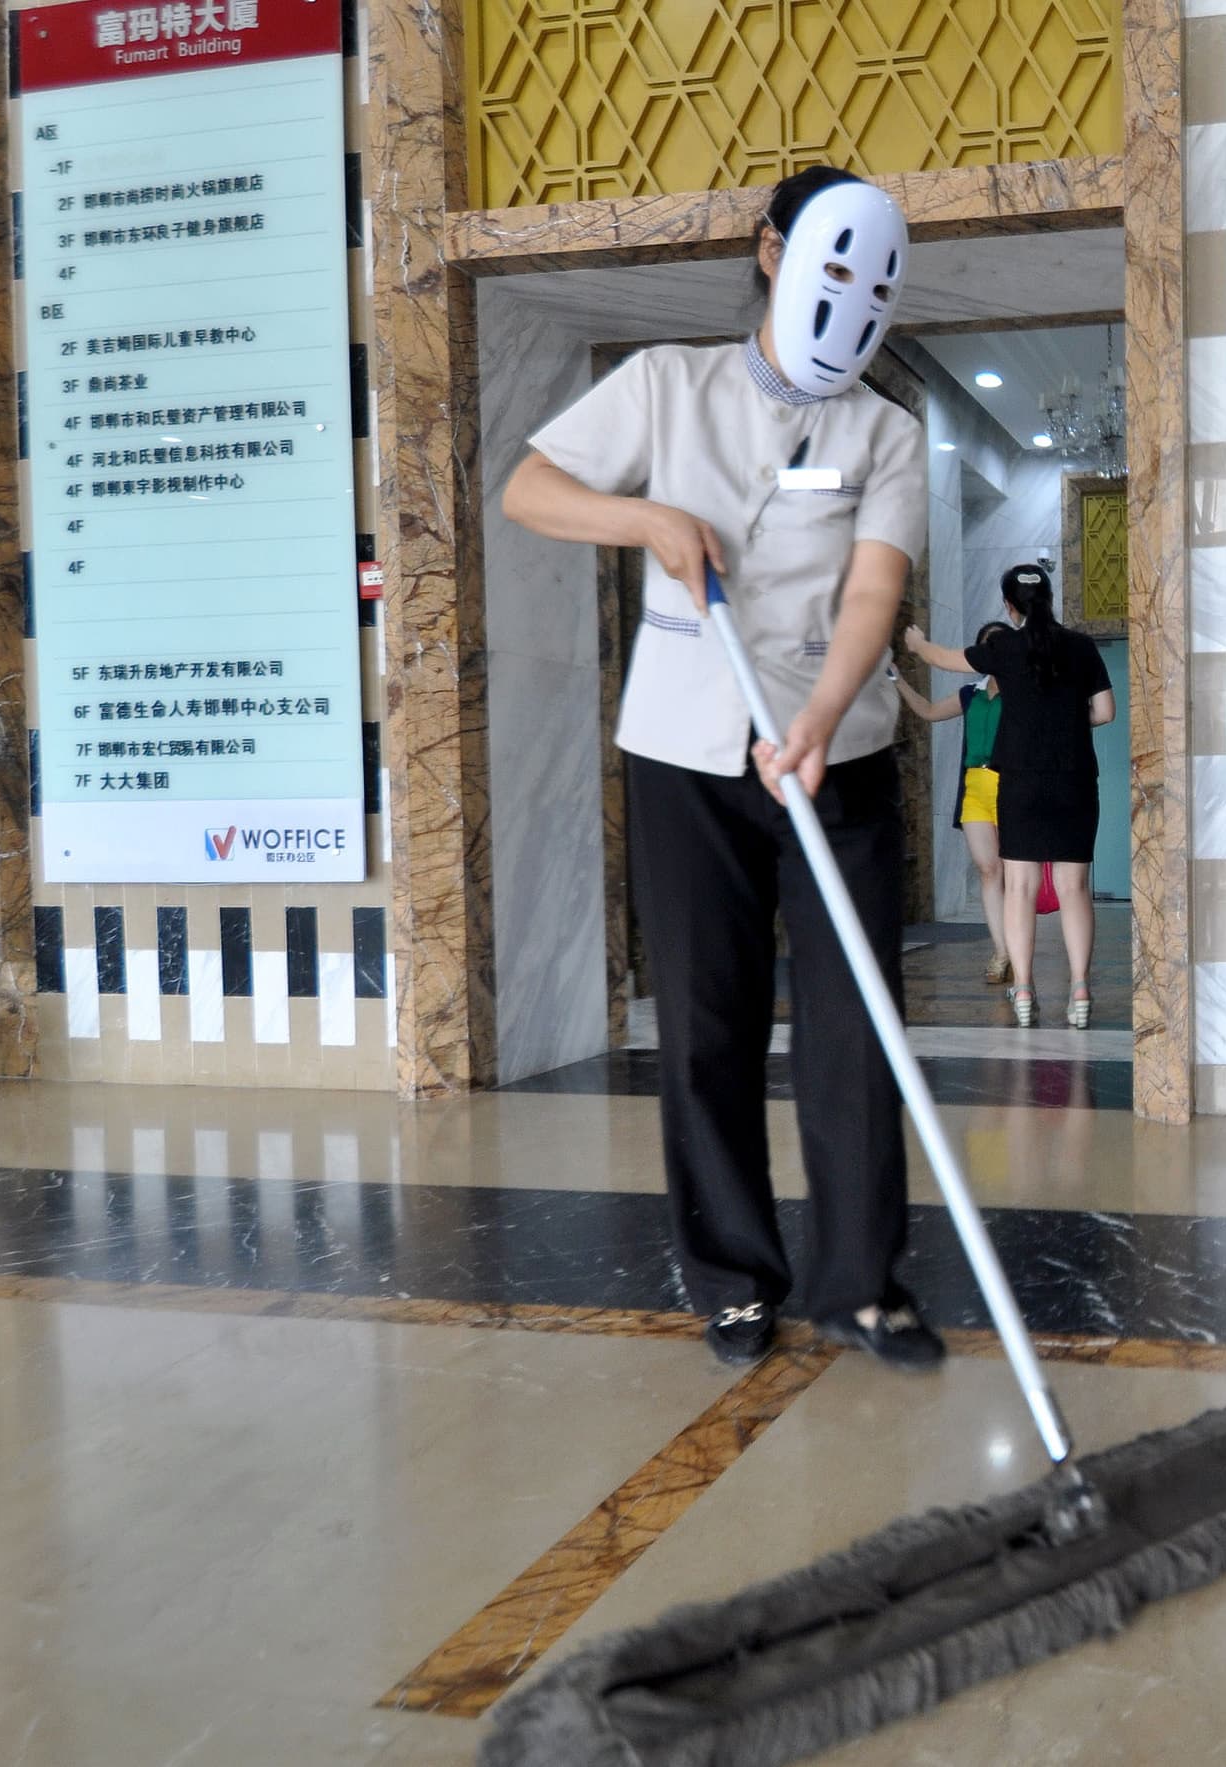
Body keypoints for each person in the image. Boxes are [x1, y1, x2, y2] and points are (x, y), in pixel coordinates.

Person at [498, 166, 946, 1372]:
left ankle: (864, 1286)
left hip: (834, 759)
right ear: (771, 255)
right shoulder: (666, 386)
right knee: (707, 1019)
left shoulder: (888, 431)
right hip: (686, 755)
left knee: (857, 1024)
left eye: (875, 282)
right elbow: (530, 489)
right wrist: (648, 520)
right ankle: (735, 1277)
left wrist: (823, 715)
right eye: (831, 268)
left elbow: (874, 586)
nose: (852, 299)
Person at [904, 562, 1113, 1029]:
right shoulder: (1081, 647)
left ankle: (1024, 989)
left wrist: (917, 645)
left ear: (1008, 605)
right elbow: (1105, 711)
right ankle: (1079, 989)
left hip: (1020, 782)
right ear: (1051, 599)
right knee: (1073, 887)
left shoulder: (1002, 647)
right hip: (1075, 780)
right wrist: (1068, 722)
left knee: (1017, 887)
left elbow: (942, 658)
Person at [894, 620, 1016, 984]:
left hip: (1011, 786)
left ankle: (1018, 950)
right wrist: (896, 679)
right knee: (988, 870)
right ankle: (1002, 952)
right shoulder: (971, 694)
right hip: (975, 785)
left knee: (1014, 874)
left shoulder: (1022, 691)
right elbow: (929, 711)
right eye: (983, 646)